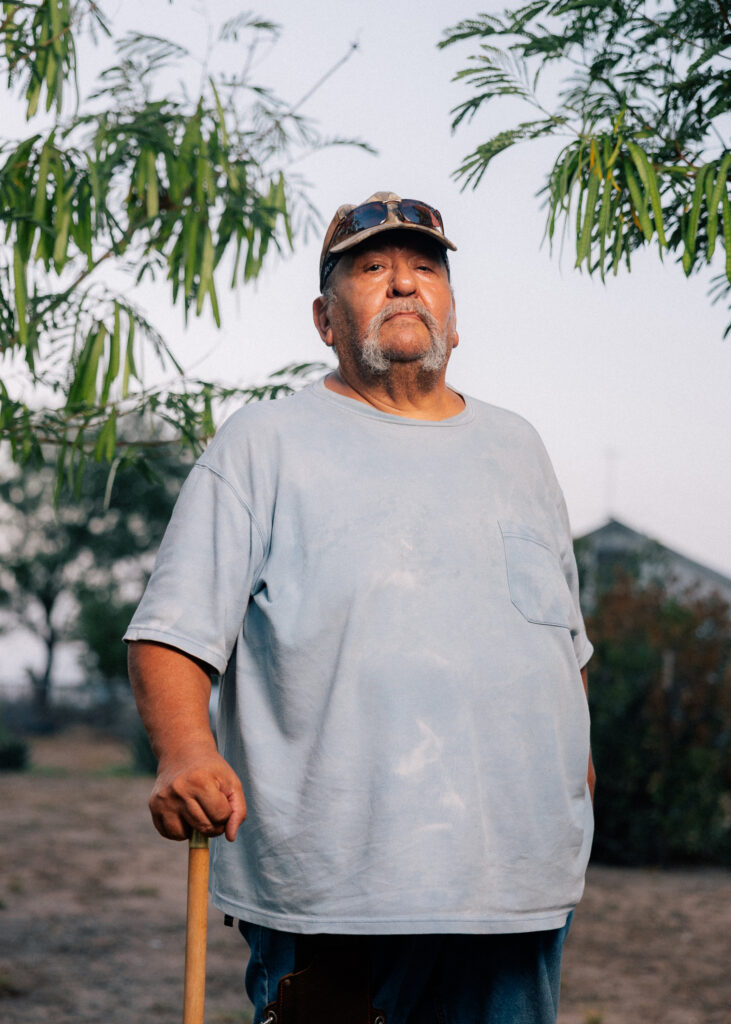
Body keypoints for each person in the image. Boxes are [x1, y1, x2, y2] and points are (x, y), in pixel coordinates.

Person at [125, 191, 595, 1024]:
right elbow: (172, 632)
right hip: (335, 893)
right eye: (373, 269)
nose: (404, 284)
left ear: (455, 315)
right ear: (324, 318)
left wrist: (576, 767)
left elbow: (563, 642)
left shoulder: (518, 447)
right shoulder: (264, 442)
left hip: (516, 891)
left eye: (425, 270)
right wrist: (184, 752)